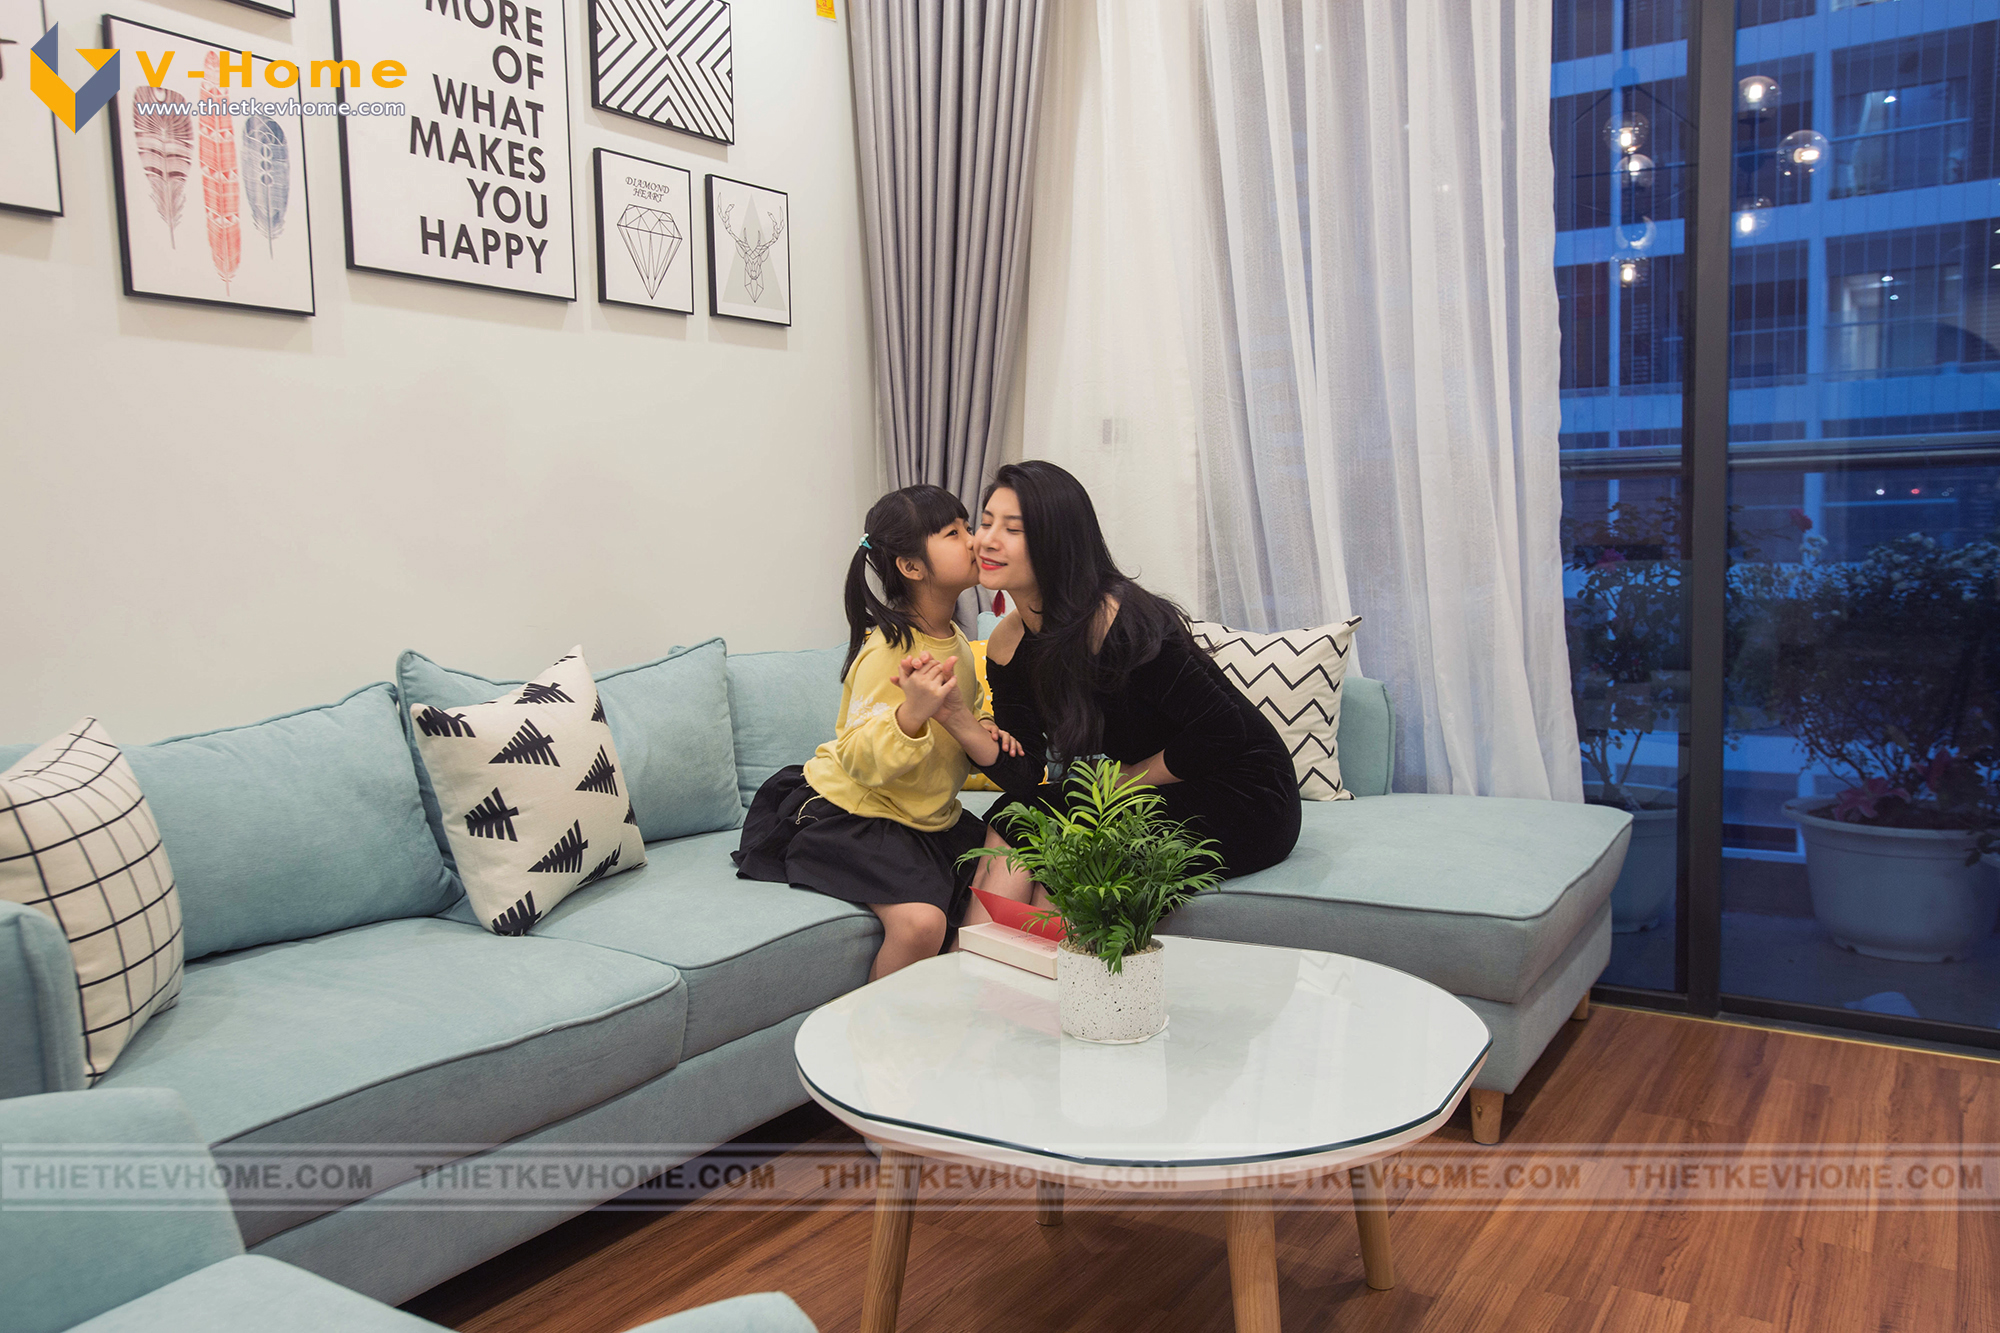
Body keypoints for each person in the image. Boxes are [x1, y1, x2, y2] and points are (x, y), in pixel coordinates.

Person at [964, 460, 1300, 921]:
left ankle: (1000, 960)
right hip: (1156, 788)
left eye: (1013, 528)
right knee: (1016, 811)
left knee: (1072, 860)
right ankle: (978, 960)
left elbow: (1222, 732)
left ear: (1056, 541)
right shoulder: (1008, 642)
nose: (988, 540)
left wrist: (1125, 781)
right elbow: (1026, 774)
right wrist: (962, 722)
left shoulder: (1117, 620)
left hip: (1243, 793)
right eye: (985, 523)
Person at [733, 484, 1023, 979]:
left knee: (1005, 874)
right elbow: (857, 757)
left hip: (922, 818)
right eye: (954, 534)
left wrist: (986, 725)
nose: (975, 540)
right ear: (911, 567)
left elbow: (968, 708)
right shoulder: (889, 649)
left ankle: (953, 1004)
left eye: (967, 527)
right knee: (922, 924)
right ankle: (865, 1028)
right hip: (854, 813)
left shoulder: (955, 640)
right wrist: (910, 716)